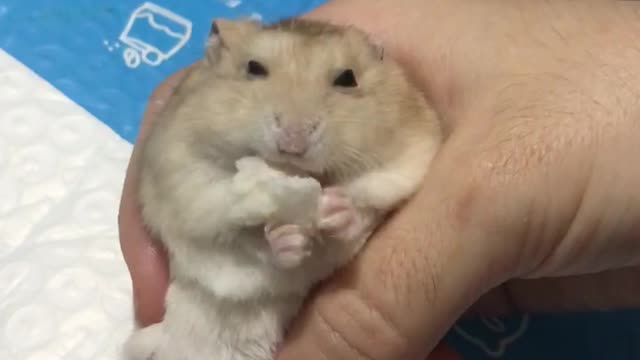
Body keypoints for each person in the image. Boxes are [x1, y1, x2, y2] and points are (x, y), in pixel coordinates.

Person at [118, 0, 640, 359]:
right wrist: (251, 219)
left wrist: (347, 219)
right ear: (219, 54)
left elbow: (393, 208)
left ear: (384, 75)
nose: (293, 132)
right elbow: (198, 232)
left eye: (343, 81)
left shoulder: (405, 137)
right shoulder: (183, 147)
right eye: (256, 70)